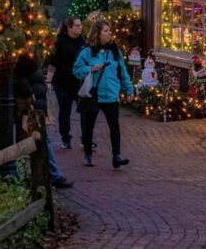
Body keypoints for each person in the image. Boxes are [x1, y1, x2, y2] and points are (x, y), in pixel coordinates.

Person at [73, 17, 134, 168]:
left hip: (111, 94)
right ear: (97, 33)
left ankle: (116, 155)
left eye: (109, 31)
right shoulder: (87, 52)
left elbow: (122, 71)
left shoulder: (115, 51)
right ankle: (88, 155)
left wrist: (128, 89)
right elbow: (76, 70)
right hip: (94, 94)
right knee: (89, 125)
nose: (109, 34)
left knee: (114, 126)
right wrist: (90, 69)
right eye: (106, 31)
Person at [13, 54, 74, 189]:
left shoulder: (31, 54)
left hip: (36, 104)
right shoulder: (24, 55)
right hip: (32, 105)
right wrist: (30, 96)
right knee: (43, 140)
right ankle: (52, 175)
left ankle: (43, 174)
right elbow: (18, 76)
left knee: (39, 140)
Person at [46, 16, 86, 149]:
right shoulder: (60, 42)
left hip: (78, 81)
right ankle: (66, 137)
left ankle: (86, 137)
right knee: (65, 109)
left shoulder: (83, 41)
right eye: (77, 26)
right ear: (69, 27)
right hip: (62, 82)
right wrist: (49, 81)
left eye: (80, 25)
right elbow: (53, 63)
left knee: (85, 109)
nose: (80, 28)